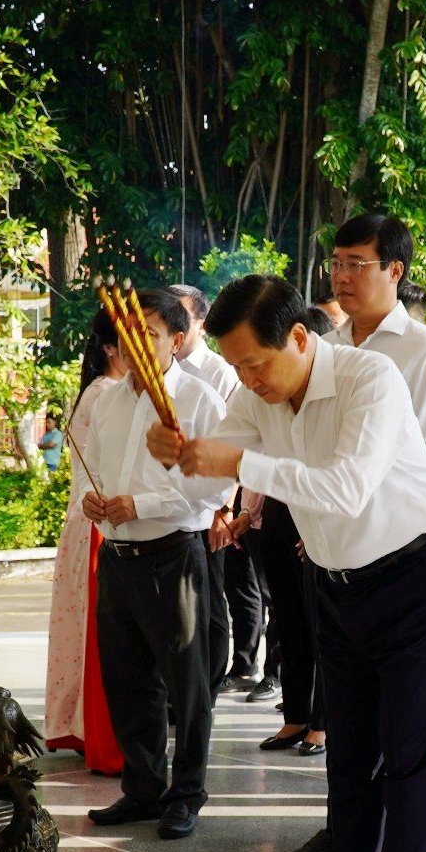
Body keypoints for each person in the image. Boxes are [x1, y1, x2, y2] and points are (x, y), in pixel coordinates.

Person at [150, 274, 426, 852]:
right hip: (339, 584)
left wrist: (234, 460)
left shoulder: (369, 378)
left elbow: (343, 485)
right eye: (233, 367)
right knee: (348, 756)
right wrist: (174, 448)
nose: (246, 381)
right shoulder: (256, 392)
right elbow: (207, 472)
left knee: (411, 757)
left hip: (415, 576)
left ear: (299, 337)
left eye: (255, 365)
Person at [275, 212, 426, 852]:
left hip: (402, 562)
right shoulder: (320, 344)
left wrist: (346, 501)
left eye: (359, 262)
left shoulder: (421, 354)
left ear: (395, 271)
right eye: (337, 261)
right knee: (346, 732)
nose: (342, 274)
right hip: (331, 558)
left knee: (405, 740)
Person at [83, 287, 231, 840]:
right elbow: (92, 470)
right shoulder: (109, 400)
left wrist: (140, 504)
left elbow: (213, 485)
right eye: (127, 333)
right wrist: (94, 503)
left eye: (148, 333)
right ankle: (143, 787)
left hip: (172, 555)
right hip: (118, 555)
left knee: (187, 683)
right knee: (127, 679)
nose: (135, 343)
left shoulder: (197, 400)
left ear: (176, 340)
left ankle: (187, 792)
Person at [171, 282, 271, 697]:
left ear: (200, 323)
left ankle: (218, 678)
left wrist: (225, 509)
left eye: (179, 315)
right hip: (180, 507)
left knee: (220, 596)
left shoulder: (221, 373)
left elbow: (237, 446)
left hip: (219, 503)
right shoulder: (159, 374)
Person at [252, 303, 342, 759]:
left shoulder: (344, 387)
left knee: (318, 620)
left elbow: (339, 479)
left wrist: (319, 525)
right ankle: (295, 714)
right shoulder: (266, 397)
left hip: (318, 515)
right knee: (287, 618)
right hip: (280, 510)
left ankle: (322, 724)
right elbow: (251, 454)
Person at [44, 310, 128, 776]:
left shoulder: (100, 390)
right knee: (99, 635)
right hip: (101, 522)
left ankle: (79, 725)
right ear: (110, 349)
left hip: (86, 521)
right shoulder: (109, 395)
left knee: (85, 631)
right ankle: (96, 729)